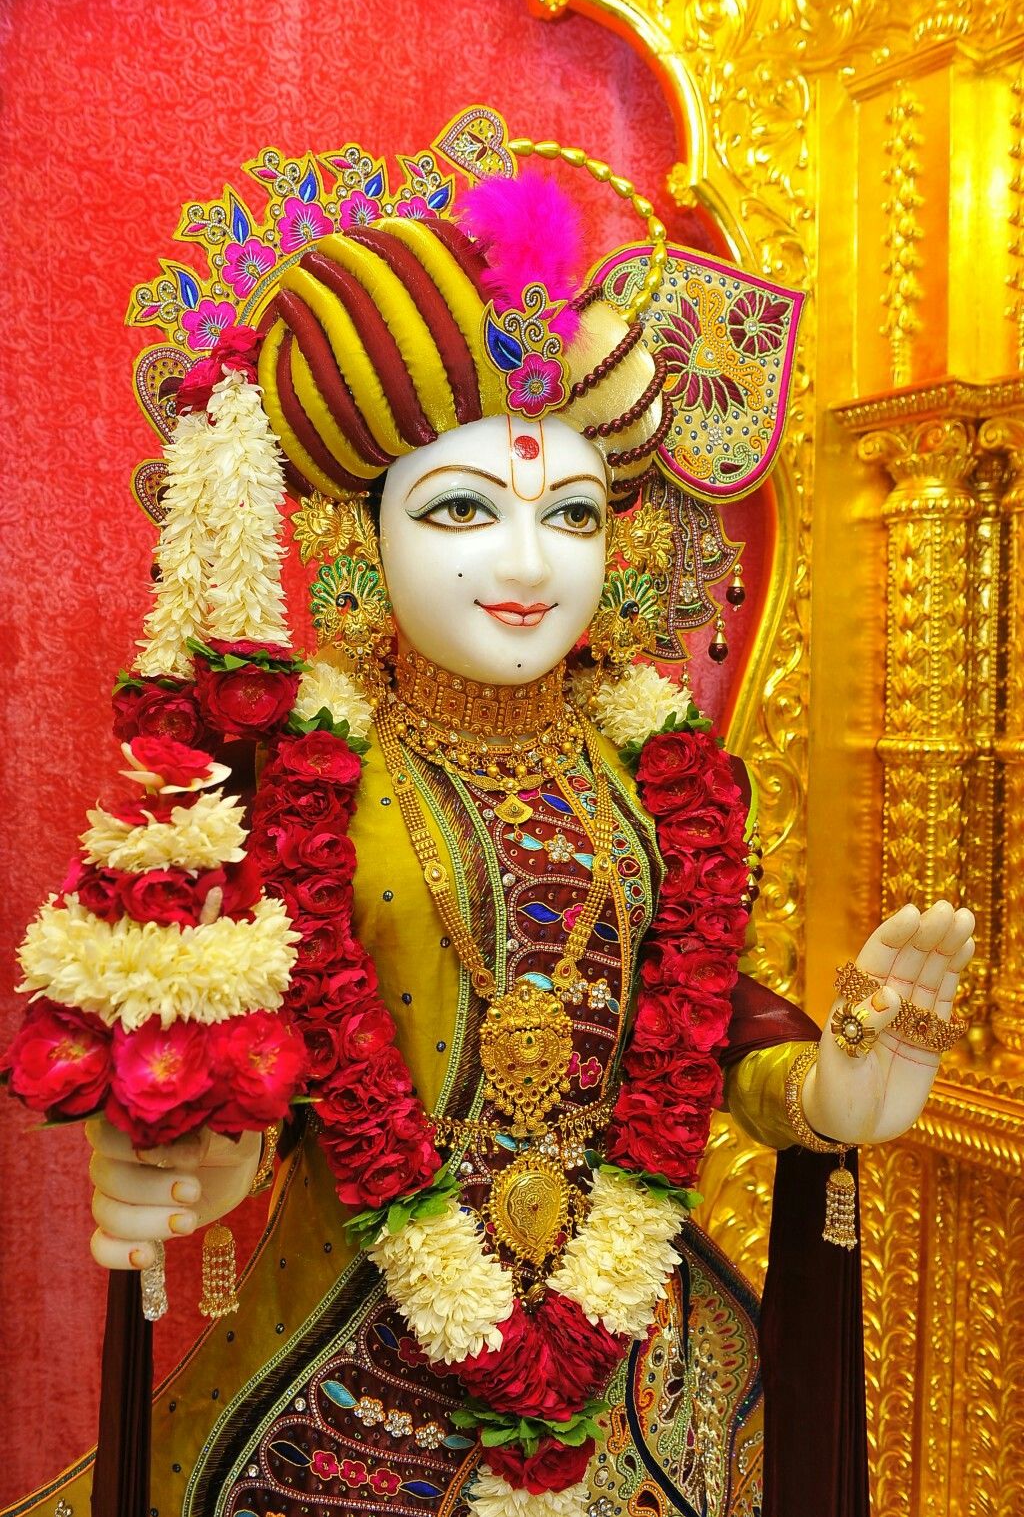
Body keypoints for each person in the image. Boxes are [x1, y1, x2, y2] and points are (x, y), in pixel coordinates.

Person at [5, 112, 974, 1517]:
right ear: (358, 533)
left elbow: (698, 1022)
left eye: (572, 515)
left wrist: (825, 1092)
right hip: (364, 1356)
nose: (529, 562)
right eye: (465, 511)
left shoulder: (656, 773)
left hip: (637, 1359)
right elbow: (251, 1050)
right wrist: (185, 1139)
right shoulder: (303, 775)